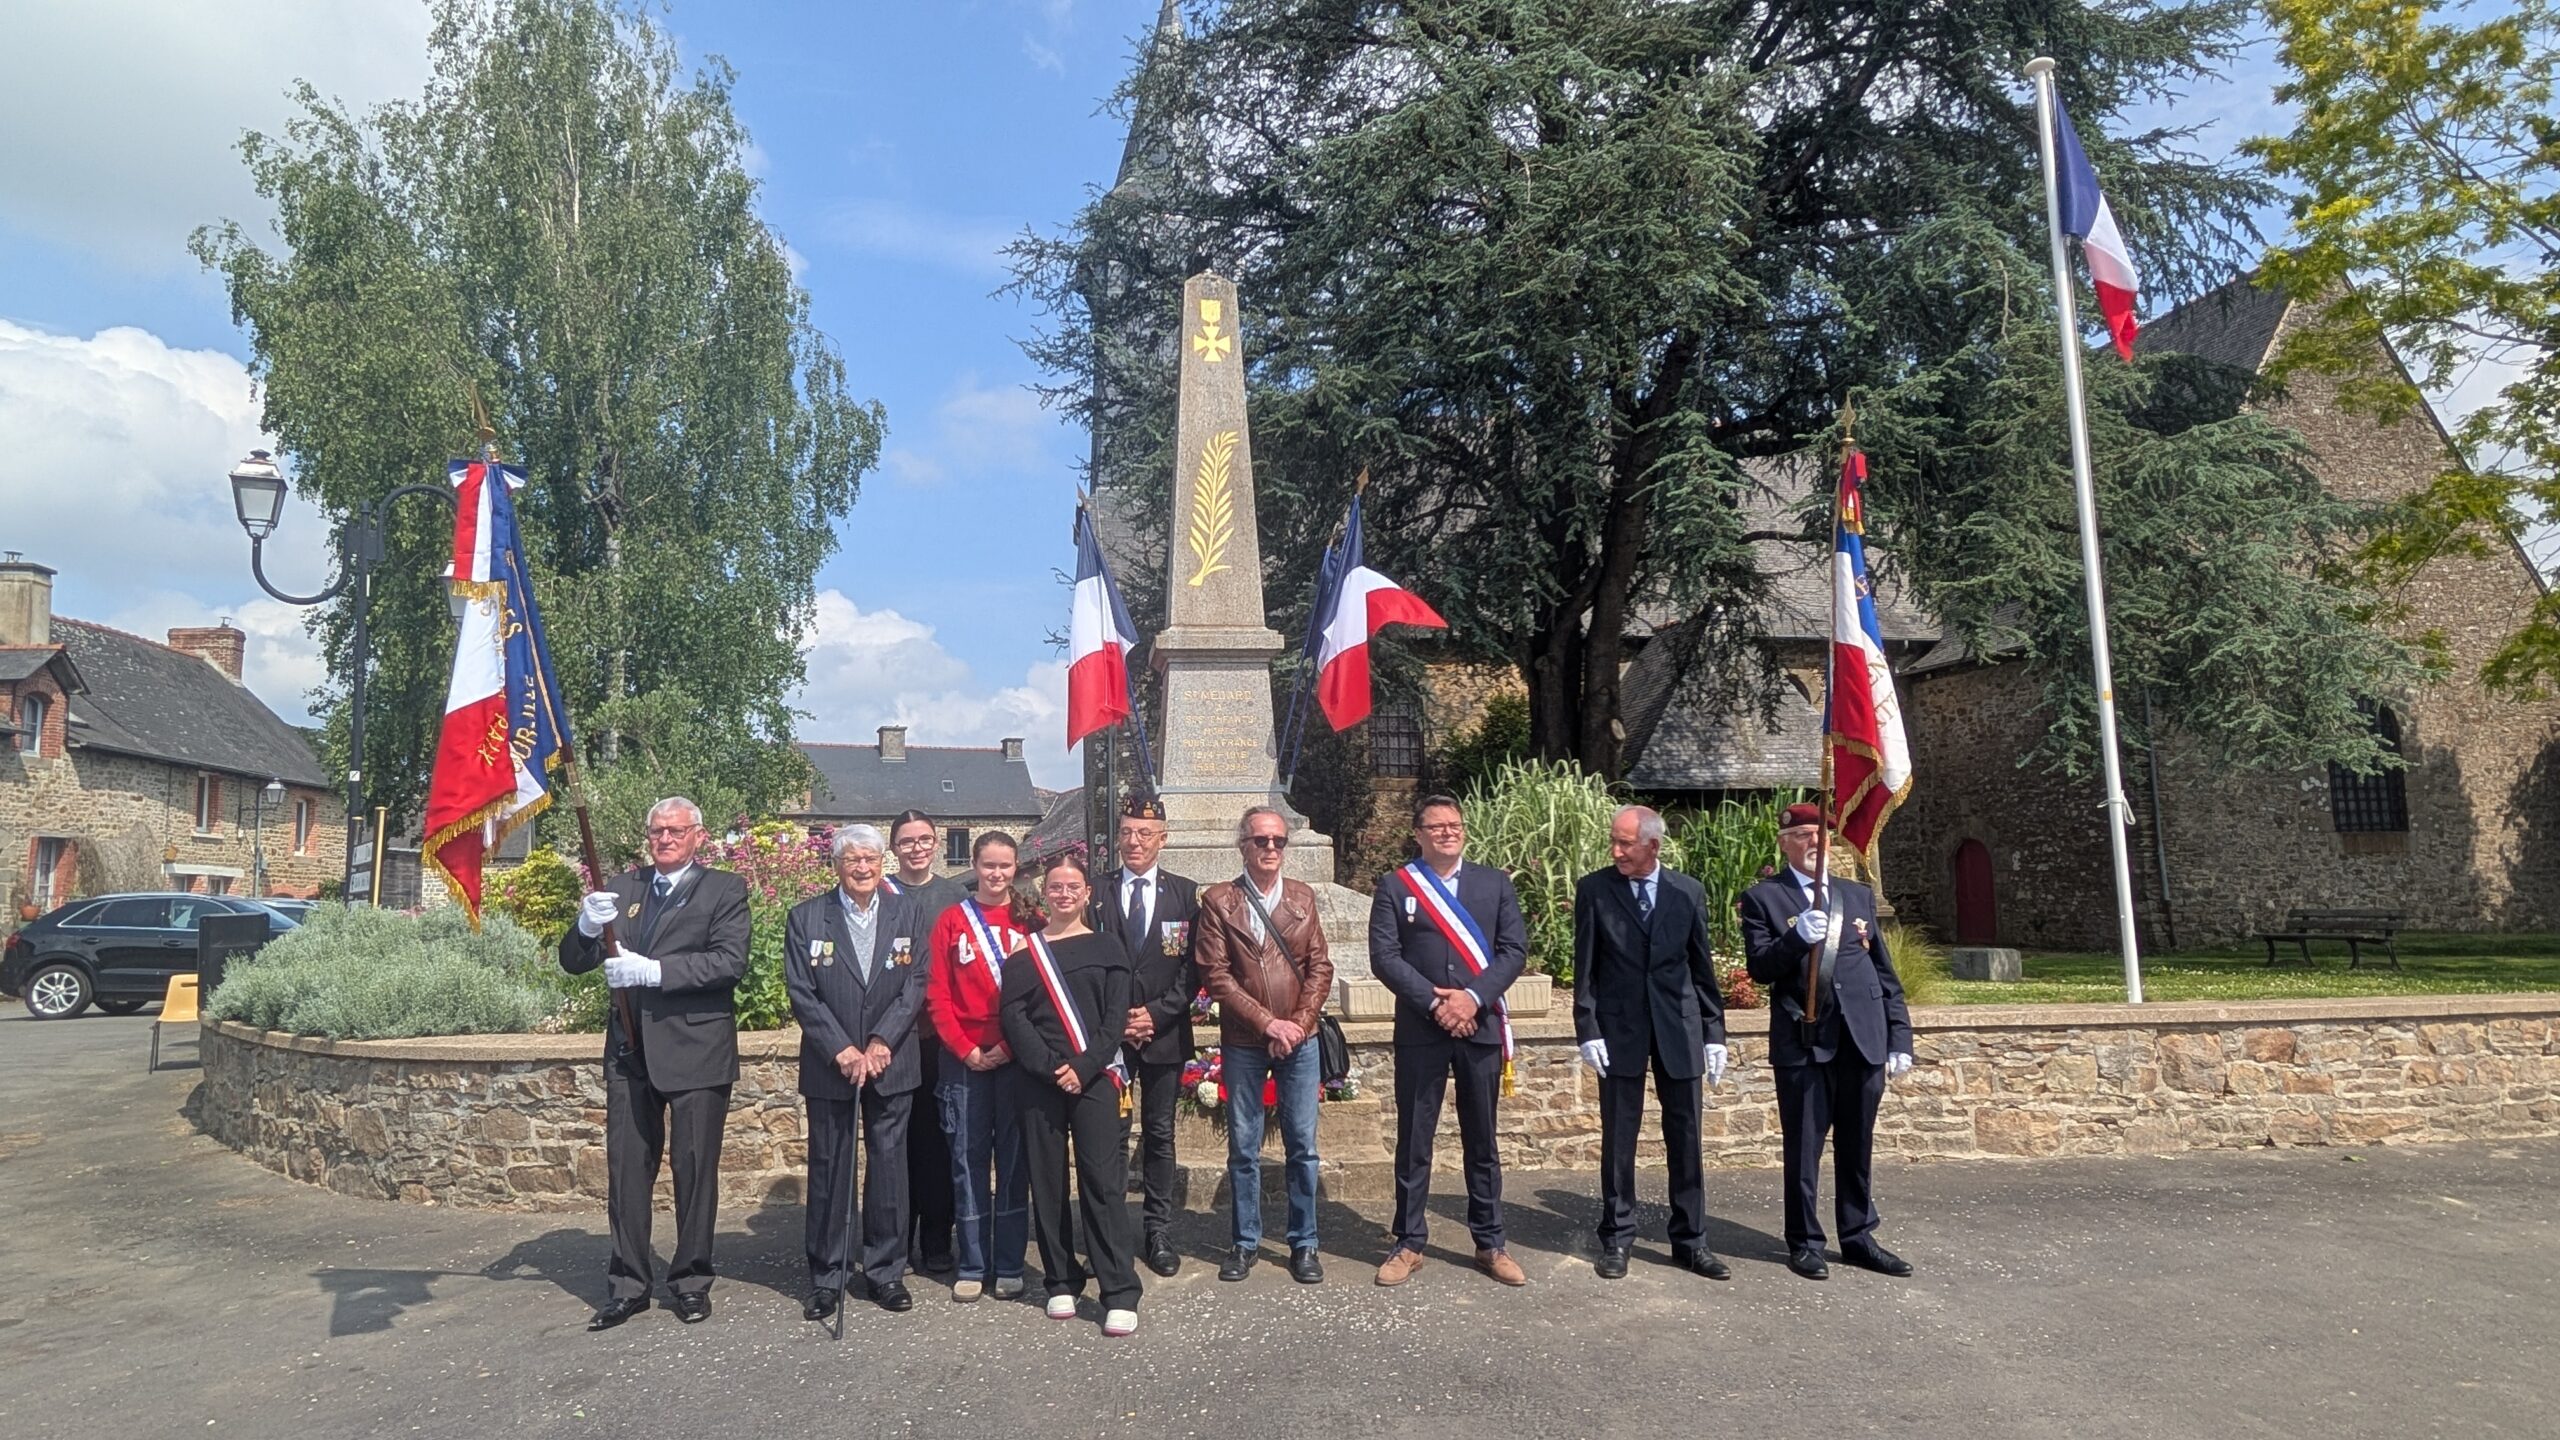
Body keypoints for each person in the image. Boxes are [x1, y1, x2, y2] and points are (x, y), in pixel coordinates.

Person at [559, 796, 752, 1329]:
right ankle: (628, 1285)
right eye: (657, 831)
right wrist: (584, 926)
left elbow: (728, 962)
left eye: (675, 831)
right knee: (626, 1173)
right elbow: (574, 961)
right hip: (630, 1052)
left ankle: (690, 1281)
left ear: (698, 836)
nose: (664, 839)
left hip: (696, 1051)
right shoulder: (623, 888)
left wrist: (653, 972)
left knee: (694, 1171)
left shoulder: (723, 889)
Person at [1740, 802, 1917, 1282]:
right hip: (1805, 1041)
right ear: (1785, 844)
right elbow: (1760, 969)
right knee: (1804, 1149)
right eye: (1803, 835)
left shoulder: (1856, 896)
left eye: (1821, 835)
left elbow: (1884, 974)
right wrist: (1796, 938)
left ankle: (1858, 1237)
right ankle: (1805, 1242)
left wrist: (1899, 1037)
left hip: (1862, 1038)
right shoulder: (1764, 898)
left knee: (1857, 1145)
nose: (1815, 842)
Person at [1367, 793, 1530, 1288]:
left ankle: (1490, 1243)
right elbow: (1385, 957)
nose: (1447, 832)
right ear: (1418, 834)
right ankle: (1409, 1242)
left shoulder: (1494, 883)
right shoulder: (1396, 886)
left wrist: (1472, 999)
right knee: (1415, 1139)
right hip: (1422, 1030)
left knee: (1482, 1140)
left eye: (1454, 825)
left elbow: (1514, 950)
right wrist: (1437, 1005)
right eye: (1436, 826)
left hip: (1479, 1027)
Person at [1571, 804, 1730, 1283]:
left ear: (1653, 846)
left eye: (1625, 843)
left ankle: (1691, 1240)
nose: (1616, 851)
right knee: (1619, 1136)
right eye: (1613, 842)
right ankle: (1617, 1237)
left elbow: (1701, 968)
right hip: (1619, 1029)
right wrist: (1588, 1028)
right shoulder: (1595, 889)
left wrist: (1714, 1033)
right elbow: (1585, 968)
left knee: (1687, 1137)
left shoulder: (1687, 892)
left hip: (1678, 1028)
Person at [785, 824, 933, 1319]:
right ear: (837, 865)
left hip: (892, 1060)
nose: (863, 868)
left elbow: (916, 982)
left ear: (882, 862)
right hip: (832, 1066)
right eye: (853, 860)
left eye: (871, 859)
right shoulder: (807, 917)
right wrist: (842, 1049)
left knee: (890, 1169)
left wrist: (881, 1040)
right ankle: (827, 1276)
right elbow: (802, 992)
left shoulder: (907, 912)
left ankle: (886, 1272)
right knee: (831, 1168)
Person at [1003, 852, 1143, 1337]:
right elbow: (1015, 1018)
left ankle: (1119, 1290)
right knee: (1047, 1183)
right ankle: (1060, 1279)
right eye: (1055, 887)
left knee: (1102, 1182)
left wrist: (1082, 1068)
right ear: (1044, 894)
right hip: (1039, 1081)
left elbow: (1115, 1018)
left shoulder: (1108, 947)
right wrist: (1050, 1069)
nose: (1063, 894)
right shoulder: (1024, 955)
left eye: (1072, 887)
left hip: (1095, 1078)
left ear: (1087, 894)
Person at [1194, 804, 1333, 1285]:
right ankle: (1245, 1242)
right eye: (1261, 840)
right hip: (1244, 1040)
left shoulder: (1302, 897)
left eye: (1278, 840)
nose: (1271, 848)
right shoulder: (1219, 900)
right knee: (1244, 1146)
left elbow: (1319, 967)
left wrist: (1297, 1023)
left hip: (1301, 1039)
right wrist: (1267, 1023)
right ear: (1243, 846)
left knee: (1303, 1146)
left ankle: (1304, 1242)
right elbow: (1216, 975)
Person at [1087, 792, 1197, 1277]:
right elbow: (1085, 963)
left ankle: (1158, 1230)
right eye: (1128, 832)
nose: (1135, 841)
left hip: (1163, 1034)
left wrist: (1155, 1014)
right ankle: (1109, 1232)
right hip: (1109, 1039)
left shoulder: (1185, 895)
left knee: (1159, 1134)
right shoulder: (1096, 892)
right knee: (1108, 1134)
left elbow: (1193, 969)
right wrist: (1118, 1021)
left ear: (1163, 839)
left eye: (1145, 834)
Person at [923, 830, 1033, 1302]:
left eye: (1005, 865)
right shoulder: (951, 921)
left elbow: (1040, 994)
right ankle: (972, 1263)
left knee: (1013, 1163)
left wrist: (1011, 1045)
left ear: (1016, 867)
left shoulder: (1030, 921)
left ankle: (1008, 1262)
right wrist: (964, 1048)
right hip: (963, 1060)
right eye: (988, 865)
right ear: (974, 864)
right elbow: (937, 993)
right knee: (967, 1162)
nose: (996, 873)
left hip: (1015, 1058)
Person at [887, 809, 962, 1275]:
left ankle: (936, 1238)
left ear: (936, 844)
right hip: (892, 1038)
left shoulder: (954, 896)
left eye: (924, 840)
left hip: (938, 1038)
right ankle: (895, 1241)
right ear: (893, 847)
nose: (916, 848)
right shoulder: (879, 892)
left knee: (936, 1142)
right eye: (907, 841)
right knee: (895, 1144)